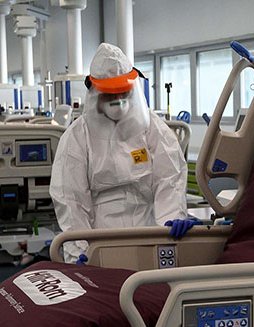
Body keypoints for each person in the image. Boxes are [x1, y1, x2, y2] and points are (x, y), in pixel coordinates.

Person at [50, 43, 195, 264]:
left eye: (122, 91)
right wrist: (79, 251)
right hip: (100, 241)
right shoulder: (78, 137)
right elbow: (71, 200)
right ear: (95, 93)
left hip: (150, 234)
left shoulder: (152, 128)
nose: (117, 100)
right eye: (109, 94)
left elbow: (170, 177)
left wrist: (172, 220)